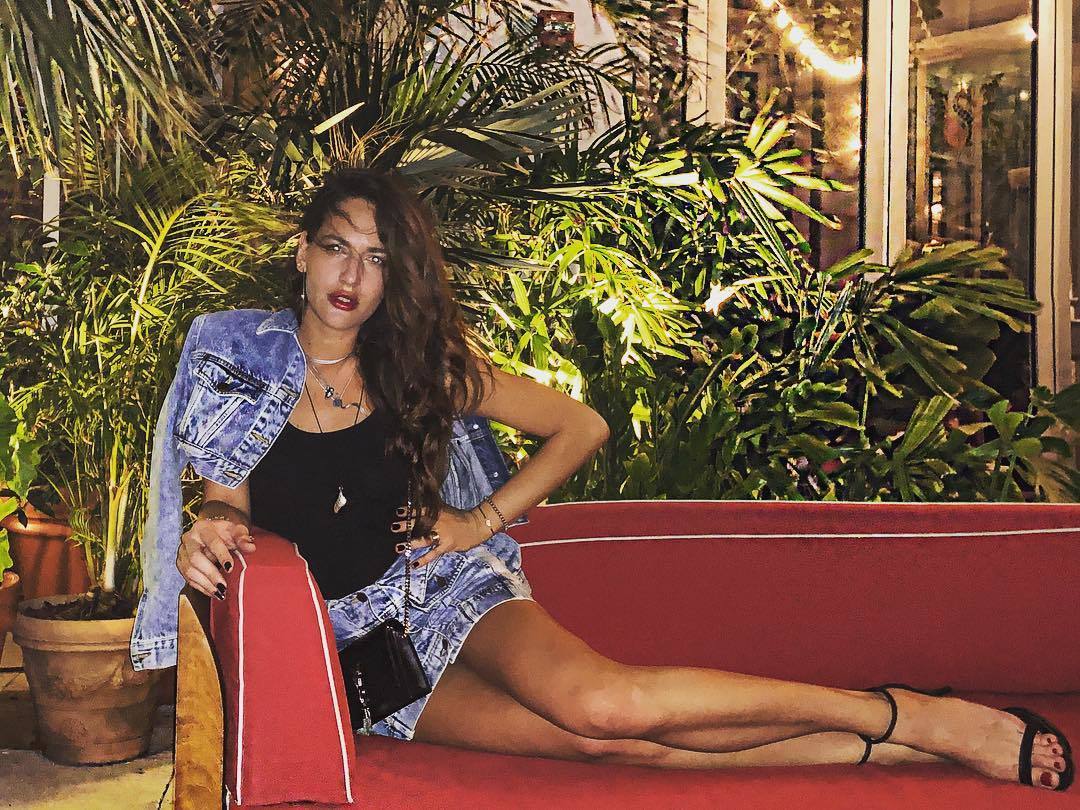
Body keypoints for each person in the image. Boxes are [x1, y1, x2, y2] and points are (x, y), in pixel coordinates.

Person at [133, 167, 1071, 792]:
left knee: (602, 703)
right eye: (338, 247)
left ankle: (910, 713)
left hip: (444, 593)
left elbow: (581, 425)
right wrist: (211, 524)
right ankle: (887, 748)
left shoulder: (418, 366)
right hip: (360, 658)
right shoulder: (234, 351)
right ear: (301, 251)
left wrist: (477, 522)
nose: (353, 275)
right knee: (605, 745)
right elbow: (226, 494)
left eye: (378, 259)